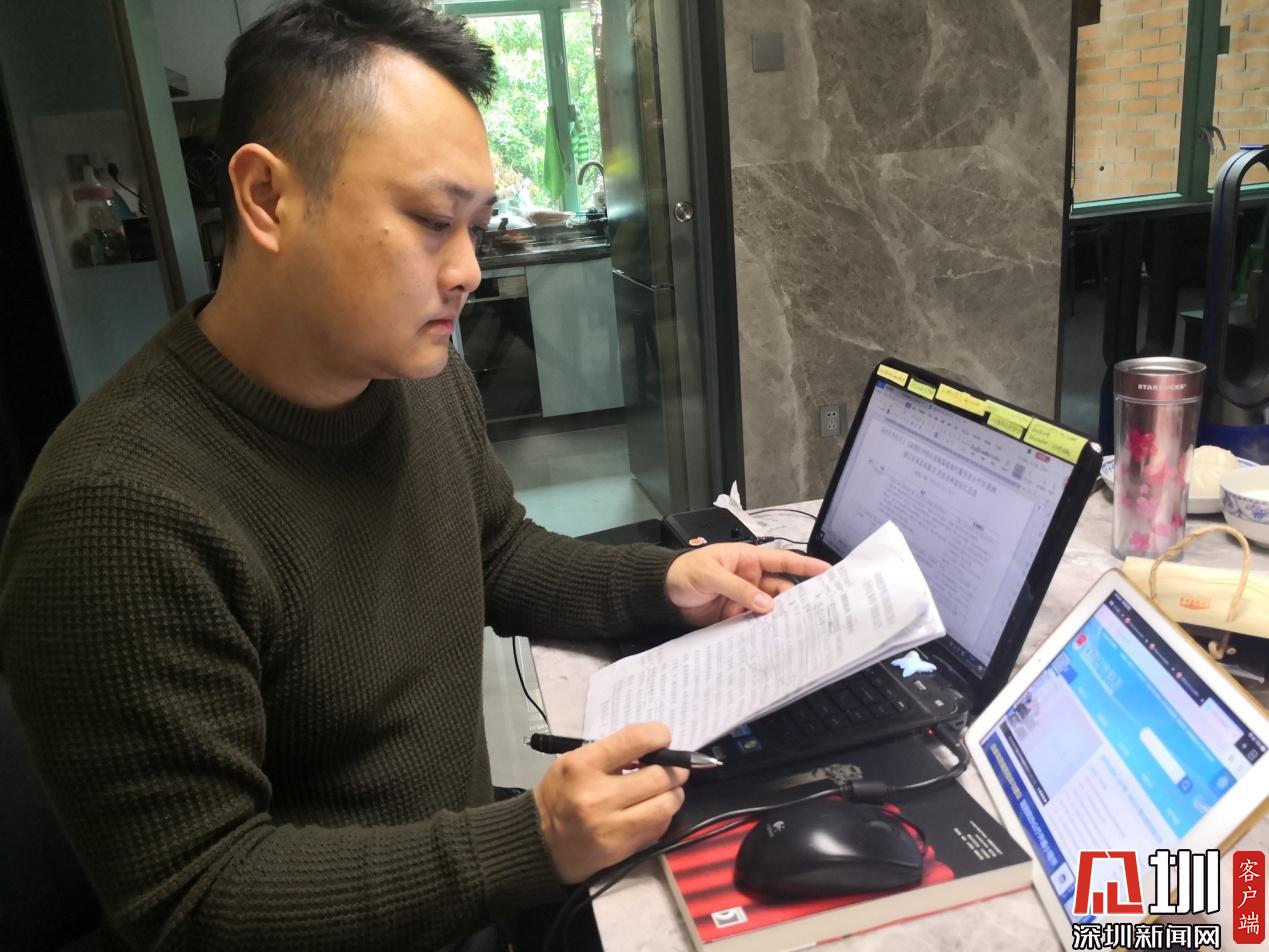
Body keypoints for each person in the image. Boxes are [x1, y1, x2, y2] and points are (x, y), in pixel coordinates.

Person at [0, 2, 829, 950]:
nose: (467, 269)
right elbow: (192, 900)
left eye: (476, 225)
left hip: (455, 892)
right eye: (434, 221)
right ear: (267, 198)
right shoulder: (115, 516)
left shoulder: (416, 379)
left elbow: (496, 553)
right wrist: (529, 842)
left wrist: (664, 582)